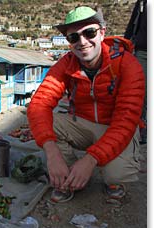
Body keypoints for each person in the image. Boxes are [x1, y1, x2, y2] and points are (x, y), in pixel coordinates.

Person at [27, 6, 145, 203]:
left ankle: (107, 178)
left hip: (116, 127)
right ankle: (69, 176)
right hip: (83, 123)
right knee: (48, 123)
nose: (82, 42)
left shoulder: (128, 64)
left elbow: (125, 121)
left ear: (102, 33)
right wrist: (52, 152)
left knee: (114, 174)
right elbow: (39, 104)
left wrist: (90, 160)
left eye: (89, 33)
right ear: (69, 43)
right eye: (74, 37)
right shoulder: (66, 64)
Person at [124, 0, 147, 144]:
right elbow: (134, 22)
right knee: (140, 90)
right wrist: (124, 44)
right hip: (143, 50)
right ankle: (141, 128)